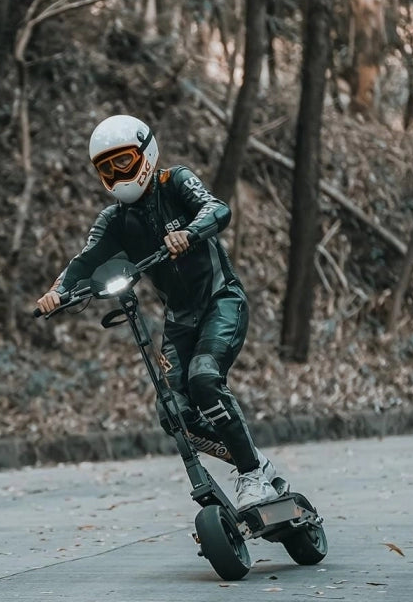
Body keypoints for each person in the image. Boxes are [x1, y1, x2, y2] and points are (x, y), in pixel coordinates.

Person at [36, 114, 282, 510]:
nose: (117, 174)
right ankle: (255, 463)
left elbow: (216, 209)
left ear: (144, 152)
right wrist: (56, 292)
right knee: (175, 413)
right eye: (106, 167)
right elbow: (83, 261)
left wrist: (191, 231)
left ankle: (251, 477)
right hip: (179, 319)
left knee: (204, 379)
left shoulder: (176, 181)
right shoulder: (114, 219)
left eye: (122, 161)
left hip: (221, 300)